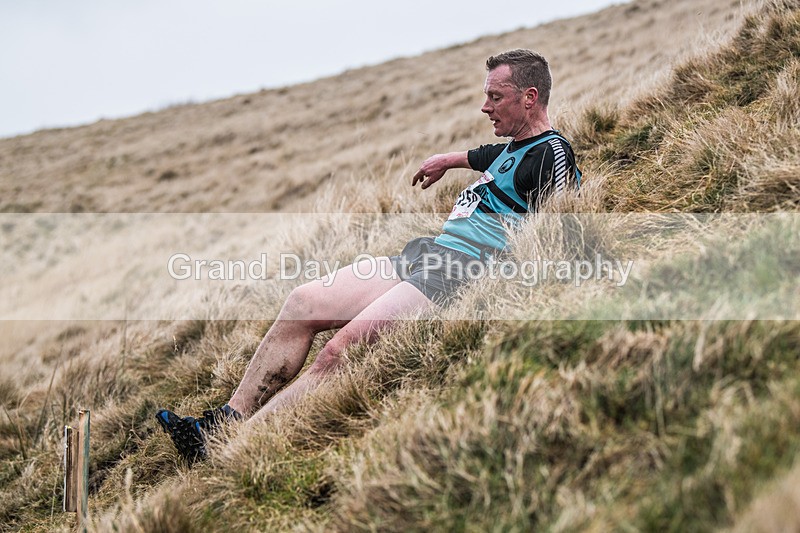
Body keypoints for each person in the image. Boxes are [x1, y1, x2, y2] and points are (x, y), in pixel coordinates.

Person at [156, 49, 581, 462]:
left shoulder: (552, 153)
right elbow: (484, 157)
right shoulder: (512, 146)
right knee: (303, 303)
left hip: (461, 272)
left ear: (530, 98)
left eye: (495, 97)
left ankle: (232, 450)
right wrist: (445, 161)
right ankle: (222, 424)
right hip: (429, 255)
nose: (484, 106)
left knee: (338, 353)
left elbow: (567, 226)